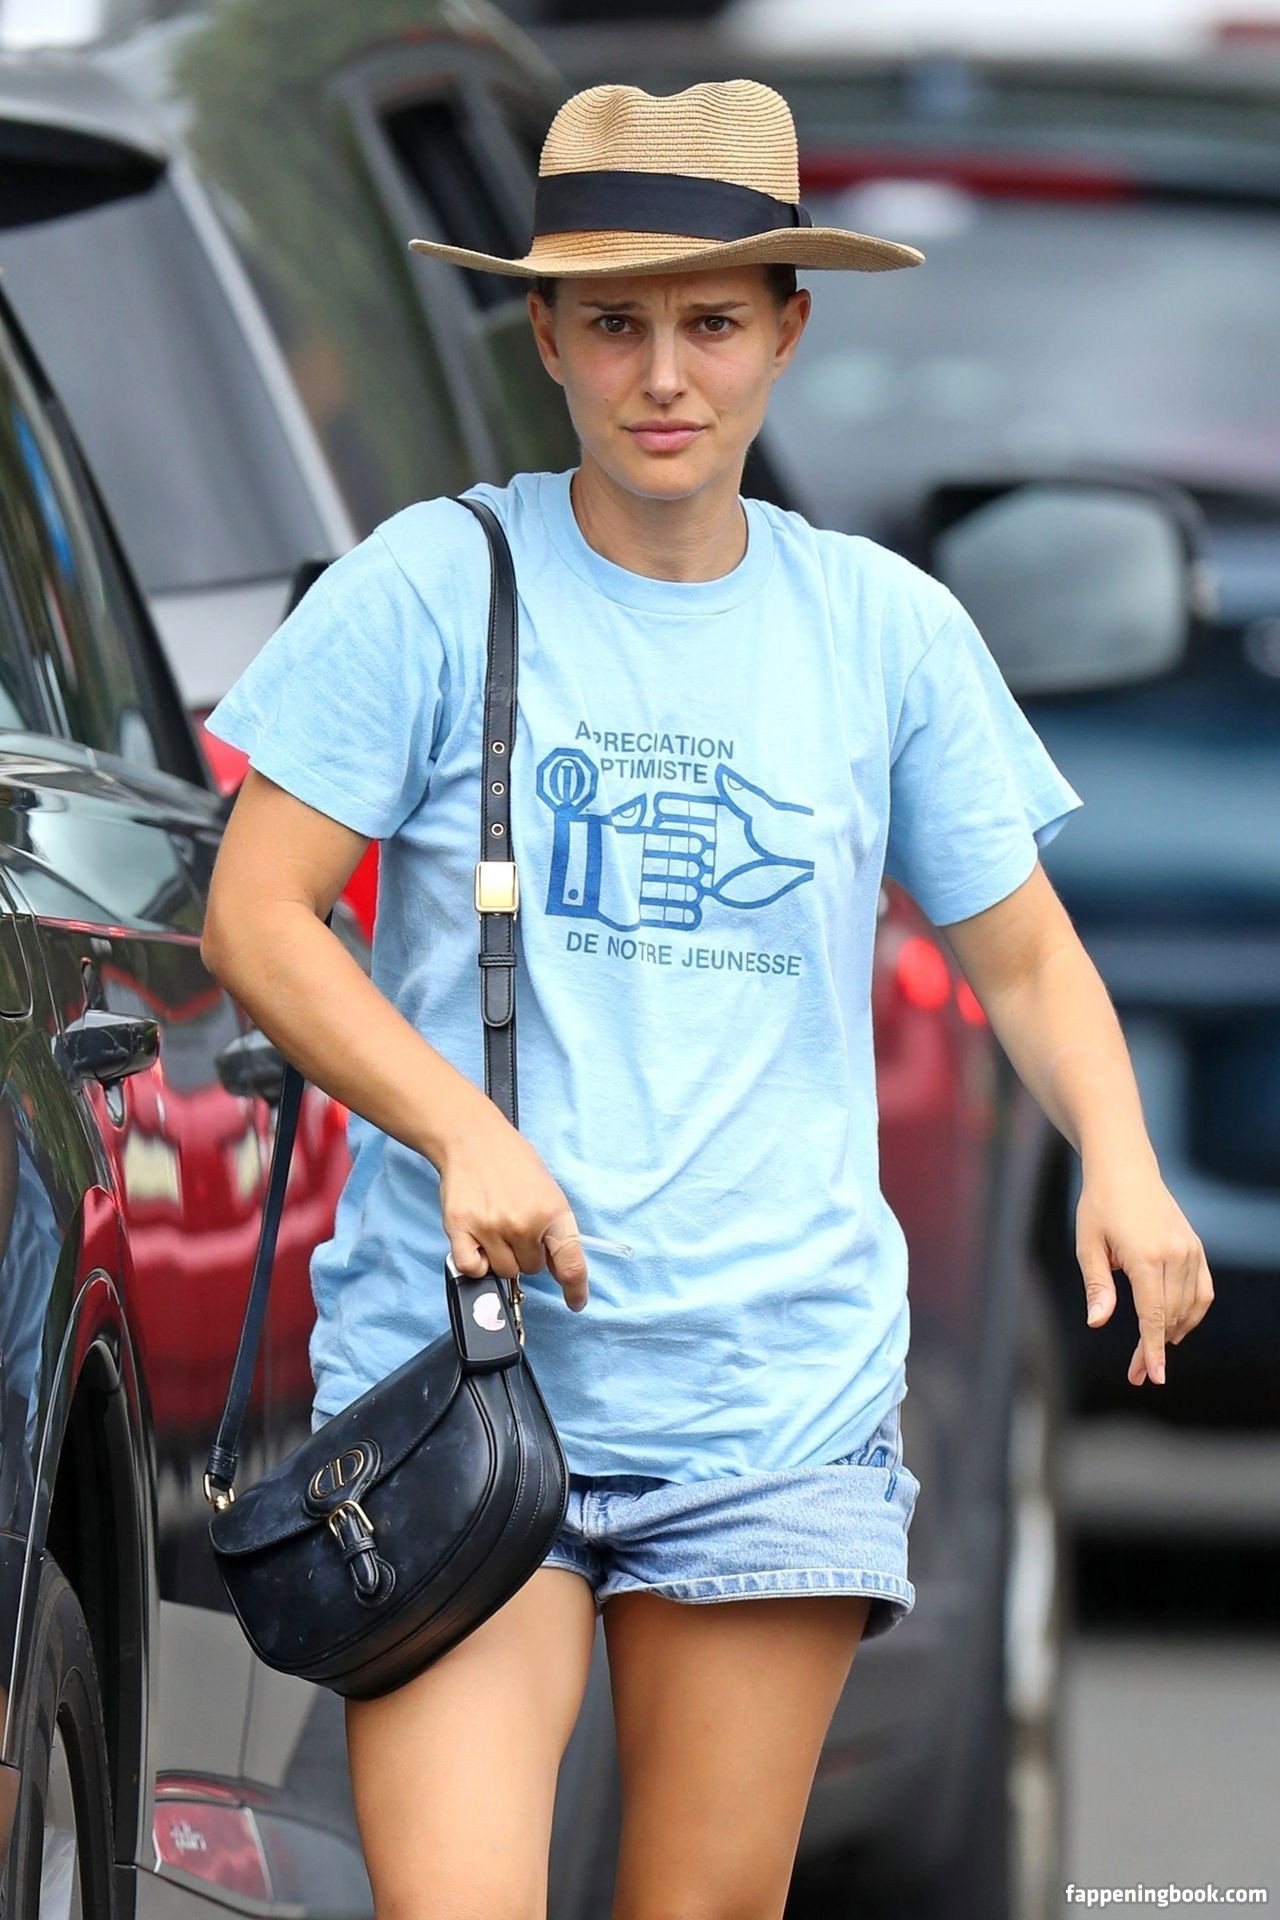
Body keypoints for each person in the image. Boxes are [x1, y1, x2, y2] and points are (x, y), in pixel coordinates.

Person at [200, 77, 1213, 1920]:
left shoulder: (881, 630)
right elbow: (258, 921)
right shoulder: (432, 586)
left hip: (771, 1394)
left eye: (713, 323)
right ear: (546, 336)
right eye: (615, 325)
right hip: (463, 1375)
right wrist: (459, 1129)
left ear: (786, 332)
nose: (664, 375)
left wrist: (1127, 1165)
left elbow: (1024, 953)